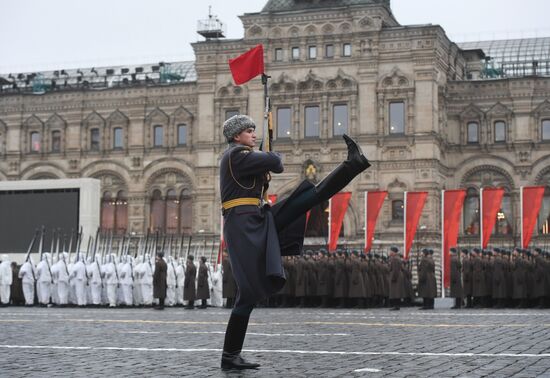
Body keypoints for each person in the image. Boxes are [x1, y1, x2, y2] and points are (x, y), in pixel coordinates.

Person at [219, 114, 370, 369]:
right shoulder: (236, 155)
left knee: (307, 199)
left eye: (255, 130)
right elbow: (277, 162)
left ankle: (353, 164)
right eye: (249, 131)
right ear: (236, 136)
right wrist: (268, 155)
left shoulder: (243, 156)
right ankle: (229, 356)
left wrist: (264, 159)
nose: (254, 134)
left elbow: (270, 167)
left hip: (256, 219)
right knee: (246, 296)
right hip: (243, 226)